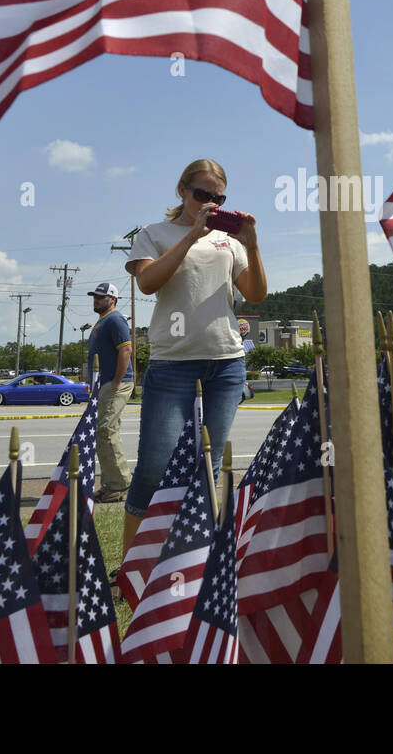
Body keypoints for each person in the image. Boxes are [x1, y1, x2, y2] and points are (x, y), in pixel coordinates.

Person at [120, 159, 266, 559]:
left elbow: (255, 295)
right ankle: (131, 568)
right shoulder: (155, 234)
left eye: (218, 198)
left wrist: (251, 243)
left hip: (225, 362)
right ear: (182, 190)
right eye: (201, 195)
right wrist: (192, 235)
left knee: (208, 466)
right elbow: (148, 283)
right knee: (155, 466)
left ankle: (195, 559)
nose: (209, 204)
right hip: (173, 365)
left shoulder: (230, 243)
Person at [86, 282, 134, 503]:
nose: (96, 299)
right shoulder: (102, 321)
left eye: (101, 296)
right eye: (95, 296)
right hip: (103, 384)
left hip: (117, 382)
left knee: (105, 429)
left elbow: (126, 349)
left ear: (112, 299)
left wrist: (116, 381)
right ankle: (109, 484)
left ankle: (121, 483)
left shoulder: (115, 319)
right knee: (103, 431)